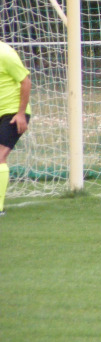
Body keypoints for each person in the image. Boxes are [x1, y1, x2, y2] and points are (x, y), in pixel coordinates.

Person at [0, 41, 32, 217]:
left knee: (0, 156)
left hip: (13, 113)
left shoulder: (5, 54)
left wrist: (21, 113)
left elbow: (25, 82)